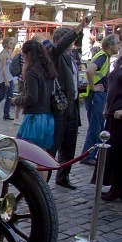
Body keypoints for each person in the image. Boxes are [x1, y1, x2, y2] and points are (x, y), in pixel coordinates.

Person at [46, 16, 93, 189]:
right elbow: (58, 47)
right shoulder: (53, 53)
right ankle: (43, 180)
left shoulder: (71, 57)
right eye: (72, 39)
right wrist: (80, 26)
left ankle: (63, 177)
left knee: (69, 144)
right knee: (53, 145)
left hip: (72, 106)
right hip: (59, 108)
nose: (74, 43)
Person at [12, 40, 57, 177]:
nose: (23, 58)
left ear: (28, 55)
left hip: (35, 118)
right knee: (42, 157)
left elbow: (32, 98)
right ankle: (42, 190)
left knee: (20, 150)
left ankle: (22, 184)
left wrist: (16, 100)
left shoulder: (32, 72)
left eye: (24, 55)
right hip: (48, 117)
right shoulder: (47, 69)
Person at [80, 34, 121, 165]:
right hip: (96, 96)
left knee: (96, 125)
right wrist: (93, 87)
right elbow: (90, 71)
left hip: (96, 95)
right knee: (96, 126)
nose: (119, 46)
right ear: (111, 45)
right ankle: (88, 155)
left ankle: (89, 154)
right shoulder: (103, 57)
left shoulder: (104, 56)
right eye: (118, 43)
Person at [99, 55, 122, 201]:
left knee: (119, 154)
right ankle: (115, 186)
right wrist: (106, 106)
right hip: (113, 113)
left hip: (120, 114)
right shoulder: (119, 60)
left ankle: (118, 189)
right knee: (113, 153)